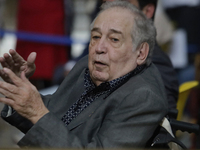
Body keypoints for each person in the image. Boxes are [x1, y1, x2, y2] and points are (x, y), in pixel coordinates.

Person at [0, 1, 167, 148]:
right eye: (95, 36)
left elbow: (43, 115)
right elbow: (55, 109)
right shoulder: (87, 66)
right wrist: (20, 86)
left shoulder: (143, 97)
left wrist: (36, 111)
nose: (99, 48)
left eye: (114, 39)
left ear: (140, 53)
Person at [78, 0, 179, 114]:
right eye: (106, 5)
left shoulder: (157, 67)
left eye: (122, 4)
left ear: (147, 11)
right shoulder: (88, 61)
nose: (100, 48)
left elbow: (164, 121)